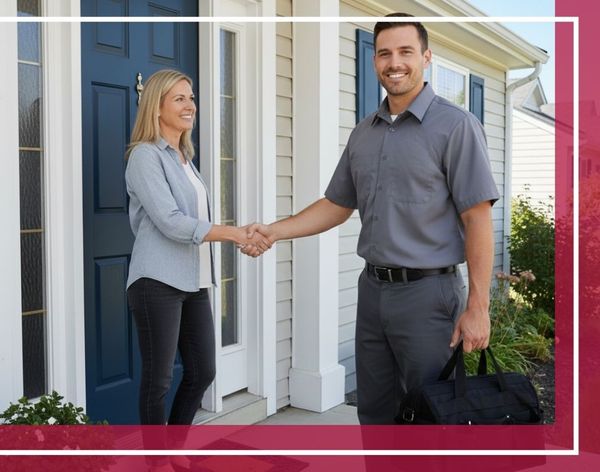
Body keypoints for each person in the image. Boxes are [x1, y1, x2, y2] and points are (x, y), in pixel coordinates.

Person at [246, 13, 499, 425]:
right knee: (377, 414)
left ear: (426, 57)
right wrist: (275, 231)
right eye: (384, 53)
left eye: (405, 52)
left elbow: (477, 219)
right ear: (375, 61)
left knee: (431, 416)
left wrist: (478, 306)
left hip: (428, 295)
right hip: (373, 292)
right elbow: (337, 204)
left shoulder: (456, 127)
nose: (393, 62)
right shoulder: (364, 133)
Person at [125, 69, 270, 471]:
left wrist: (237, 237)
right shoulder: (144, 156)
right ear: (156, 106)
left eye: (191, 98)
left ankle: (173, 445)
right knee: (158, 381)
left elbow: (191, 220)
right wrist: (236, 234)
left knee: (203, 369)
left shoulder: (185, 158)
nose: (190, 105)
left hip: (193, 281)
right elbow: (171, 222)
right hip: (156, 280)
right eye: (179, 99)